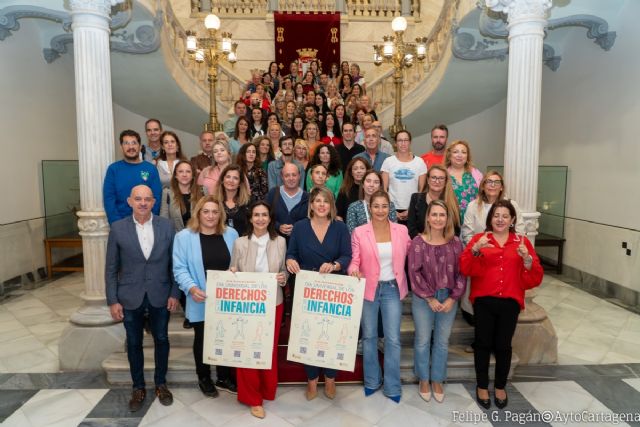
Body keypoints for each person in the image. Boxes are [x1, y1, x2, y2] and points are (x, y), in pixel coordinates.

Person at [460, 199, 543, 410]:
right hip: (484, 301)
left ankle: (499, 386)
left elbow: (535, 278)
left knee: (503, 346)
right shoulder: (480, 239)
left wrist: (527, 261)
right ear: (490, 219)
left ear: (512, 219)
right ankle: (481, 386)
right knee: (483, 344)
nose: (500, 220)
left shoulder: (522, 242)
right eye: (496, 216)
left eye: (505, 216)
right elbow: (466, 268)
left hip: (510, 302)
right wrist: (476, 250)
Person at [105, 185, 179, 412]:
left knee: (162, 340)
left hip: (160, 293)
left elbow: (175, 264)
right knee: (134, 343)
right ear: (130, 201)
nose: (143, 203)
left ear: (154, 201)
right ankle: (138, 387)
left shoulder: (167, 226)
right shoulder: (117, 229)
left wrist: (175, 293)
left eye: (147, 199)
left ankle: (160, 383)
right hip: (130, 296)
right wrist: (113, 300)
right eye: (138, 199)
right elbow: (111, 268)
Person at [286, 186, 352, 400]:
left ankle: (331, 378)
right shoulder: (299, 227)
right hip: (307, 289)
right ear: (311, 205)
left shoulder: (340, 228)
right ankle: (312, 379)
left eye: (326, 201)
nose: (322, 205)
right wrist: (290, 261)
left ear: (331, 205)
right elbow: (291, 253)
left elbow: (347, 256)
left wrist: (334, 265)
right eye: (318, 201)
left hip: (333, 289)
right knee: (309, 334)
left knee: (331, 334)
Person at [173, 195, 240, 397]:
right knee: (202, 339)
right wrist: (192, 288)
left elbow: (238, 261)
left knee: (226, 338)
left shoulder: (232, 234)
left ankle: (223, 376)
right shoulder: (184, 237)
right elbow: (179, 268)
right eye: (206, 211)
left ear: (221, 214)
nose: (210, 216)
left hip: (227, 300)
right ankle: (204, 377)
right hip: (199, 298)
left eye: (215, 211)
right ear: (198, 213)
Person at [349, 190, 410, 403]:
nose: (381, 210)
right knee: (369, 337)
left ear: (390, 208)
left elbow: (413, 254)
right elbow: (355, 260)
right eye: (376, 206)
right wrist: (353, 270)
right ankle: (372, 381)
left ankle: (392, 385)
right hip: (368, 288)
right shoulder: (359, 231)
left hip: (392, 288)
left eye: (385, 206)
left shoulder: (401, 231)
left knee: (392, 339)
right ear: (370, 207)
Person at [229, 201, 288, 419]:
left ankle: (267, 389)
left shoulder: (280, 242)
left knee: (269, 349)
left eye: (264, 215)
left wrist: (284, 277)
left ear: (270, 218)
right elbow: (232, 269)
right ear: (250, 218)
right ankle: (252, 397)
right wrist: (232, 271)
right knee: (247, 349)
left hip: (274, 302)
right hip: (247, 305)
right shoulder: (240, 243)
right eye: (256, 215)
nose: (261, 219)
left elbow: (284, 271)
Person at [408, 200, 466, 404]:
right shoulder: (418, 242)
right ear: (428, 217)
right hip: (424, 298)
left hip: (448, 298)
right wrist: (429, 297)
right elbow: (413, 273)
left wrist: (452, 298)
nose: (438, 219)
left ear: (448, 218)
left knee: (442, 341)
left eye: (442, 215)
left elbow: (462, 273)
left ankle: (437, 379)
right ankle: (424, 378)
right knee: (423, 340)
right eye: (434, 214)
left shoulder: (456, 243)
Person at [460, 171, 525, 324]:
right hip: (480, 258)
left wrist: (504, 248)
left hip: (506, 259)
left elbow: (520, 231)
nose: (492, 185)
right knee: (479, 306)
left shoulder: (512, 205)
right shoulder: (473, 206)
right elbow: (467, 233)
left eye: (496, 182)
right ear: (482, 185)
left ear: (502, 187)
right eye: (489, 181)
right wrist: (479, 249)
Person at [104, 129, 162, 224]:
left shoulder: (151, 169)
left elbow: (156, 198)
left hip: (146, 223)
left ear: (139, 146)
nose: (131, 147)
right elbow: (109, 200)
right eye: (126, 143)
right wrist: (117, 225)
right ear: (121, 147)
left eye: (134, 143)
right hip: (120, 224)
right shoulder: (113, 169)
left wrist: (148, 222)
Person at [381, 130, 427, 225]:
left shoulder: (420, 162)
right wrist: (392, 210)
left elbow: (421, 190)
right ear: (395, 143)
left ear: (410, 142)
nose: (403, 143)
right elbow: (384, 189)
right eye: (400, 140)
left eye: (406, 140)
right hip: (392, 208)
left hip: (413, 208)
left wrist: (411, 209)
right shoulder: (388, 161)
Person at [407, 164, 460, 239]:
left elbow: (456, 230)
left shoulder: (451, 201)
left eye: (441, 178)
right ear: (428, 180)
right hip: (421, 245)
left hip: (445, 245)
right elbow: (411, 229)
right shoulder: (416, 198)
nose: (437, 181)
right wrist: (426, 241)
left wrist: (438, 242)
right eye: (433, 177)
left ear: (445, 182)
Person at [265, 162, 309, 241]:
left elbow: (311, 222)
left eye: (294, 175)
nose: (291, 178)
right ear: (282, 177)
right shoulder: (273, 194)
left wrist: (297, 228)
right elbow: (264, 216)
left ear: (299, 176)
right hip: (275, 243)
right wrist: (278, 226)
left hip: (299, 245)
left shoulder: (307, 198)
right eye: (287, 175)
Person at [445, 140, 483, 221]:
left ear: (467, 156)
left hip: (474, 220)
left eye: (463, 152)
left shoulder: (476, 173)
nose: (459, 155)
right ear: (449, 155)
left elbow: (484, 196)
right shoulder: (443, 174)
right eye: (455, 152)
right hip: (450, 221)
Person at [214, 164, 251, 236]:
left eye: (235, 178)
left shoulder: (249, 202)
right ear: (222, 180)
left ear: (240, 183)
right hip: (218, 242)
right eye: (228, 177)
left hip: (243, 244)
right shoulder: (213, 201)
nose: (231, 181)